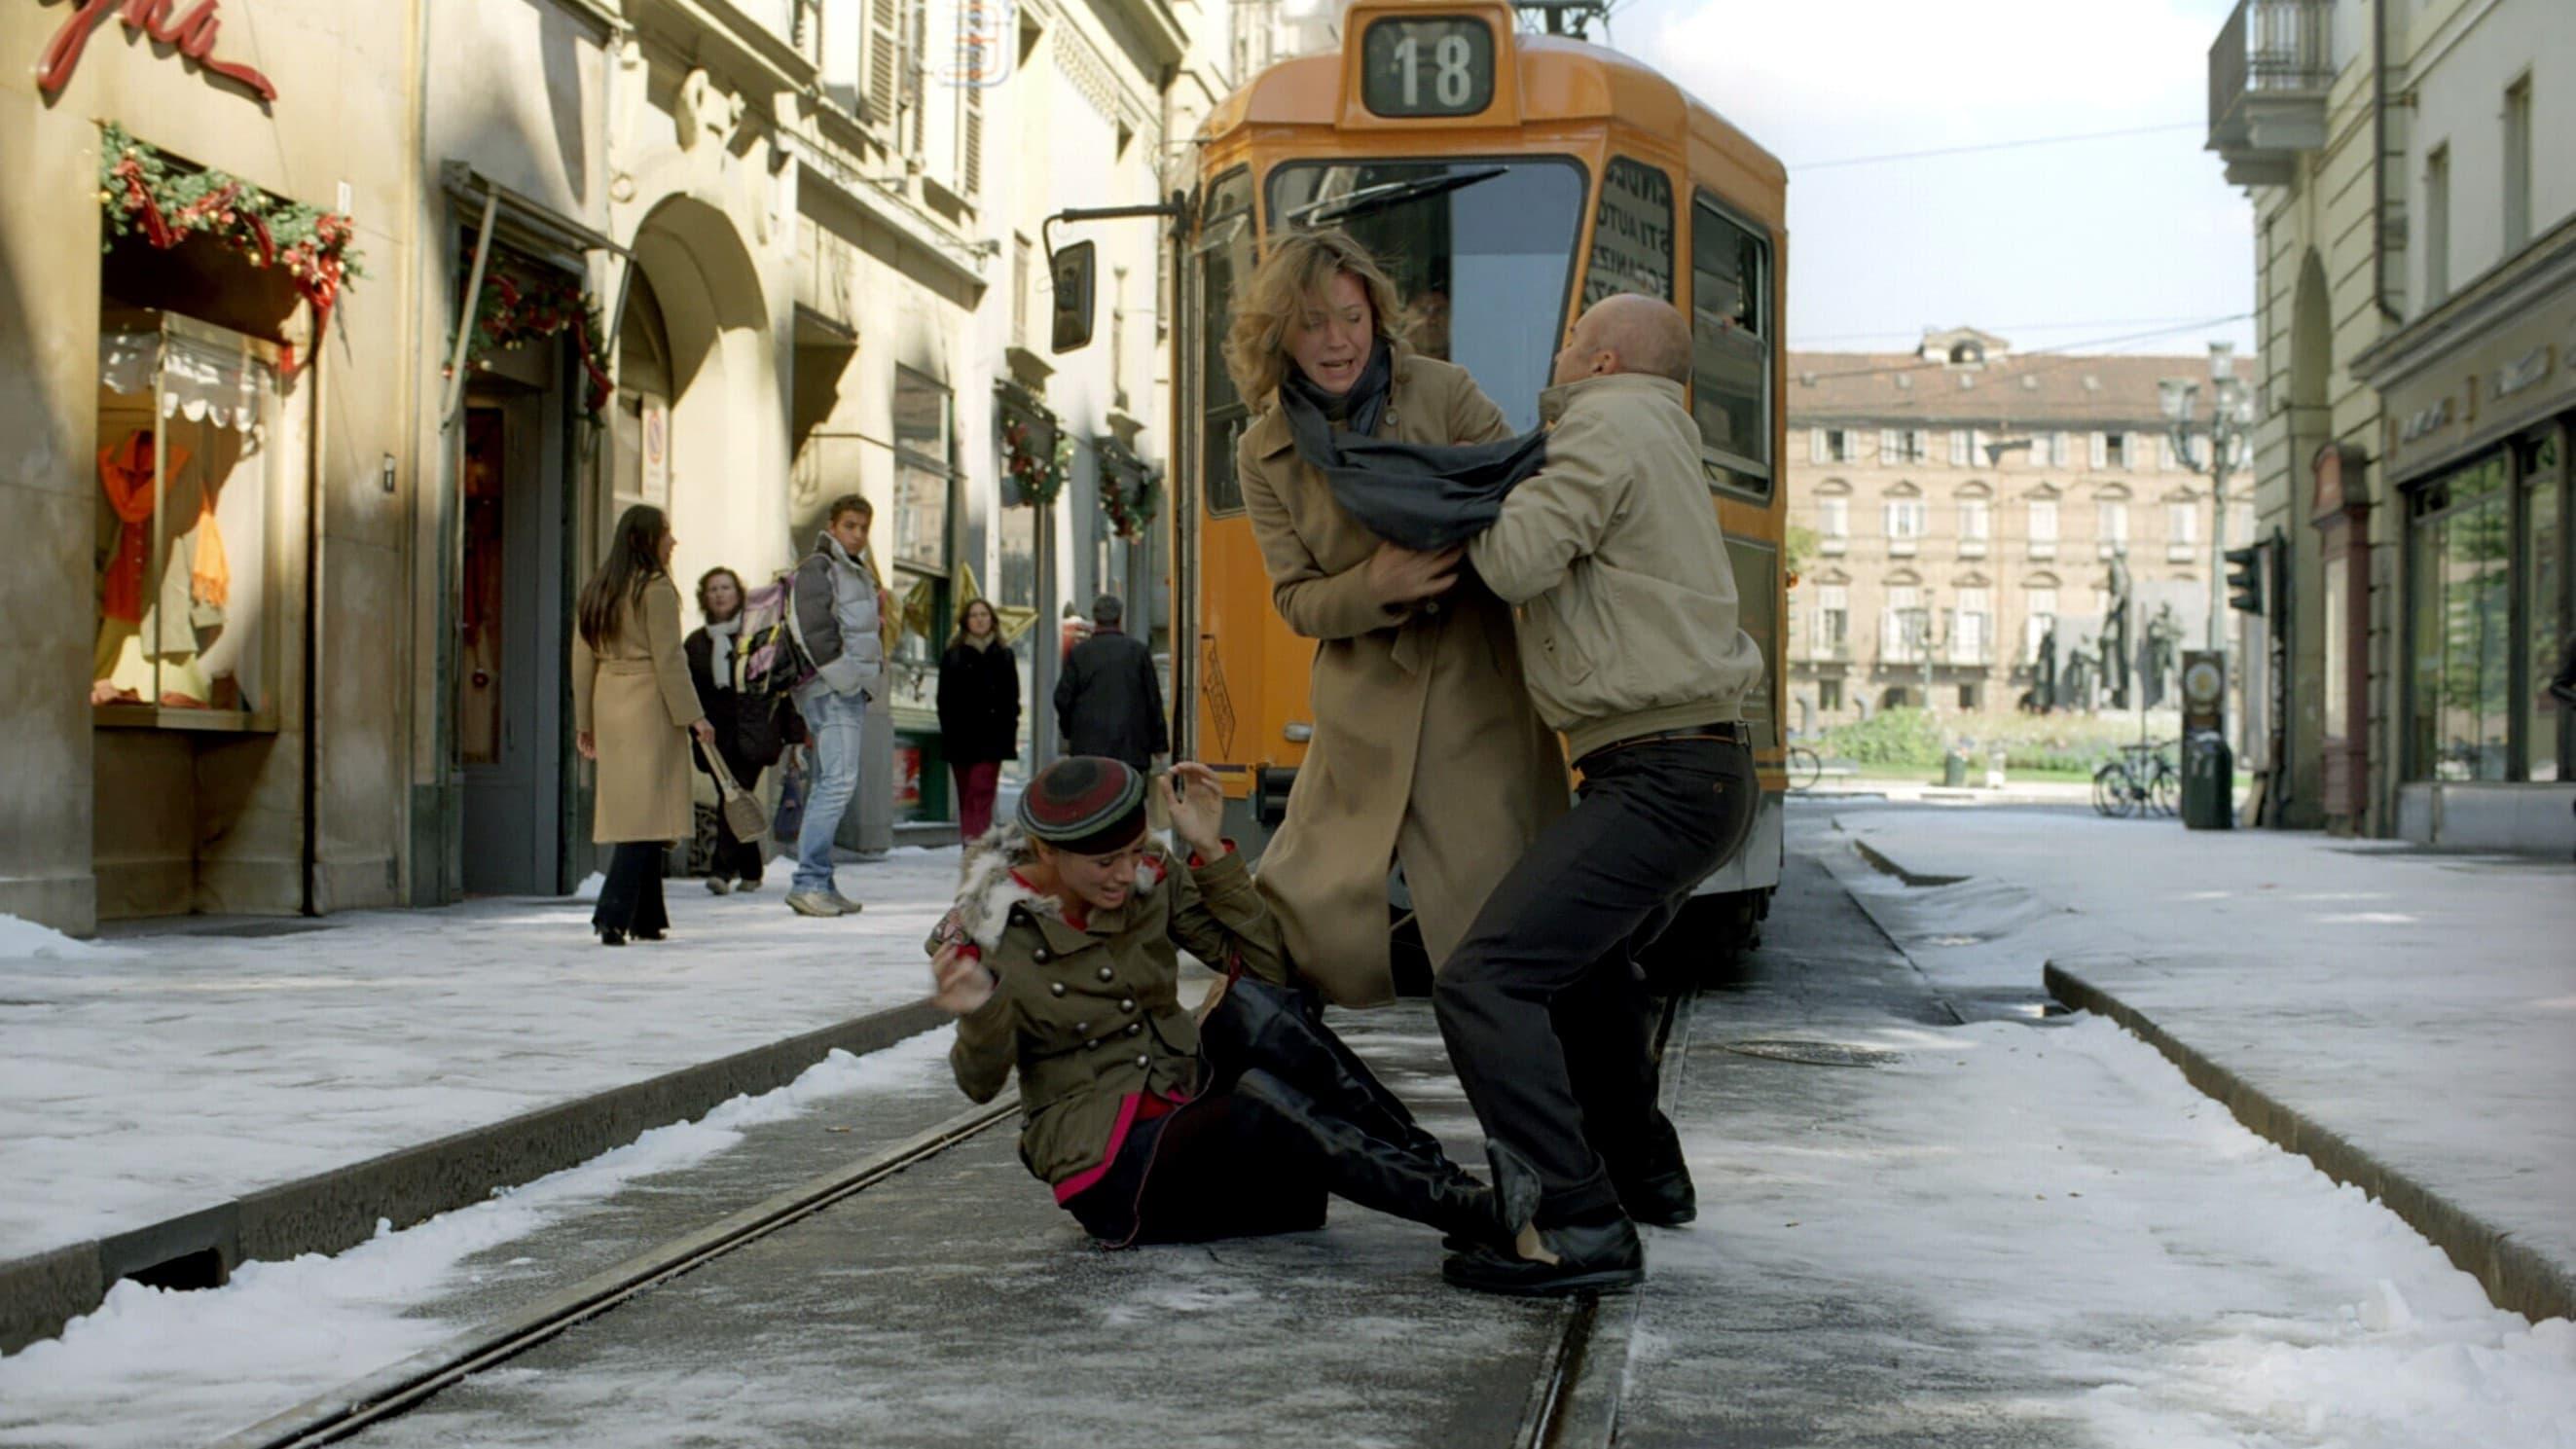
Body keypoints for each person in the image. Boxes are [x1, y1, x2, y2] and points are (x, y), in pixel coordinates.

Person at [1430, 295, 1765, 1296]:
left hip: (1662, 772)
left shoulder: (1605, 420)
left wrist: (1464, 513)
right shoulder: (1658, 427)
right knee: (1583, 968)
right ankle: (1647, 1176)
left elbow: (1514, 560)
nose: (1561, 342)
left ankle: (1577, 1223)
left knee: (1483, 981)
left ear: (1606, 357)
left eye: (1573, 333)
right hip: (1695, 769)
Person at [929, 755, 1534, 1250]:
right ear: (1049, 852)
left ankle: (1452, 1181)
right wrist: (980, 1010)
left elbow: (1269, 972)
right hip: (1113, 1160)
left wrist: (1210, 853)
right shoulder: (989, 930)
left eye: (1135, 851)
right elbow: (980, 1085)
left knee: (1260, 1012)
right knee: (1261, 1103)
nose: (1123, 875)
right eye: (1103, 863)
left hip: (1184, 1096)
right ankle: (1471, 1214)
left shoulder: (1149, 877)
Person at [1224, 228, 1568, 1007]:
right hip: (1360, 716)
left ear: (1375, 316)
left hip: (1471, 696)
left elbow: (1521, 491)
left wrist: (1453, 535)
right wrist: (1376, 583)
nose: (1336, 340)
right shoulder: (1263, 448)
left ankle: (1533, 1110)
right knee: (1301, 917)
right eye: (1311, 322)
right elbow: (1294, 597)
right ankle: (1287, 1103)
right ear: (1279, 332)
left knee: (1490, 941)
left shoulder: (1441, 391)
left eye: (1349, 316)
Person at [572, 504, 716, 947]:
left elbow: (581, 658)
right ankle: (611, 913)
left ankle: (648, 916)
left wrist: (585, 722)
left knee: (641, 810)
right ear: (645, 540)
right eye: (666, 534)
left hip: (609, 702)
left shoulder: (599, 588)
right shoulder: (653, 589)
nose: (672, 542)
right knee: (645, 814)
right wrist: (695, 716)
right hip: (649, 704)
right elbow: (669, 659)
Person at [785, 493, 889, 918]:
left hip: (844, 689)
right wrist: (848, 680)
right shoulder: (819, 568)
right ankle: (809, 881)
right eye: (850, 525)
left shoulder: (853, 570)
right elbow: (813, 629)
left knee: (829, 782)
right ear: (832, 524)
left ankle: (820, 882)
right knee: (838, 784)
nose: (858, 534)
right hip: (831, 691)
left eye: (864, 527)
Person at [685, 566, 803, 893]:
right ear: (704, 597)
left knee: (733, 795)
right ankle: (751, 867)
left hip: (754, 731)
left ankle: (721, 871)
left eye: (726, 588)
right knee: (735, 797)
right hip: (713, 736)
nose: (720, 594)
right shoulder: (695, 643)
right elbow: (687, 690)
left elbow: (783, 687)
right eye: (713, 589)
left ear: (739, 595)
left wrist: (795, 737)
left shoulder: (757, 638)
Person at [1052, 594, 1166, 775]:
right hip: (1131, 748)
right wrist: (1158, 744)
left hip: (1088, 748)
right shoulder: (1138, 652)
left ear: (1095, 619)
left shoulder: (1080, 654)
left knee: (1092, 799)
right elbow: (1153, 700)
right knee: (1129, 797)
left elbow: (1062, 698)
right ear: (1120, 618)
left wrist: (1071, 731)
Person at [937, 598, 1020, 841]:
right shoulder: (953, 655)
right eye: (974, 615)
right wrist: (949, 730)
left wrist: (1008, 732)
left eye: (984, 614)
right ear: (966, 622)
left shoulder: (1004, 655)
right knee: (966, 794)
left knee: (981, 791)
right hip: (960, 738)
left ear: (992, 620)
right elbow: (943, 700)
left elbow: (1012, 699)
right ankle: (970, 845)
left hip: (993, 739)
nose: (980, 619)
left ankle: (977, 844)